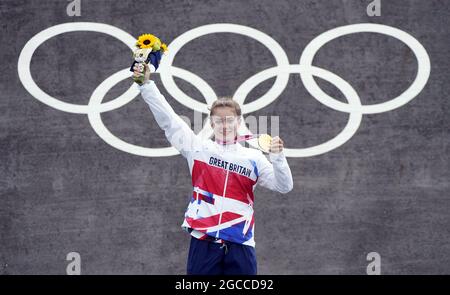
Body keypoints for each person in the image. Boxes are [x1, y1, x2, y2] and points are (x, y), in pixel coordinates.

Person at [133, 64, 293, 275]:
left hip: (241, 241)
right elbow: (169, 120)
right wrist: (146, 84)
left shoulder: (253, 157)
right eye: (219, 121)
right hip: (204, 239)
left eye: (229, 121)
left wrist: (278, 157)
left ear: (239, 122)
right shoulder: (198, 148)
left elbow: (284, 186)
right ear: (211, 123)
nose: (224, 125)